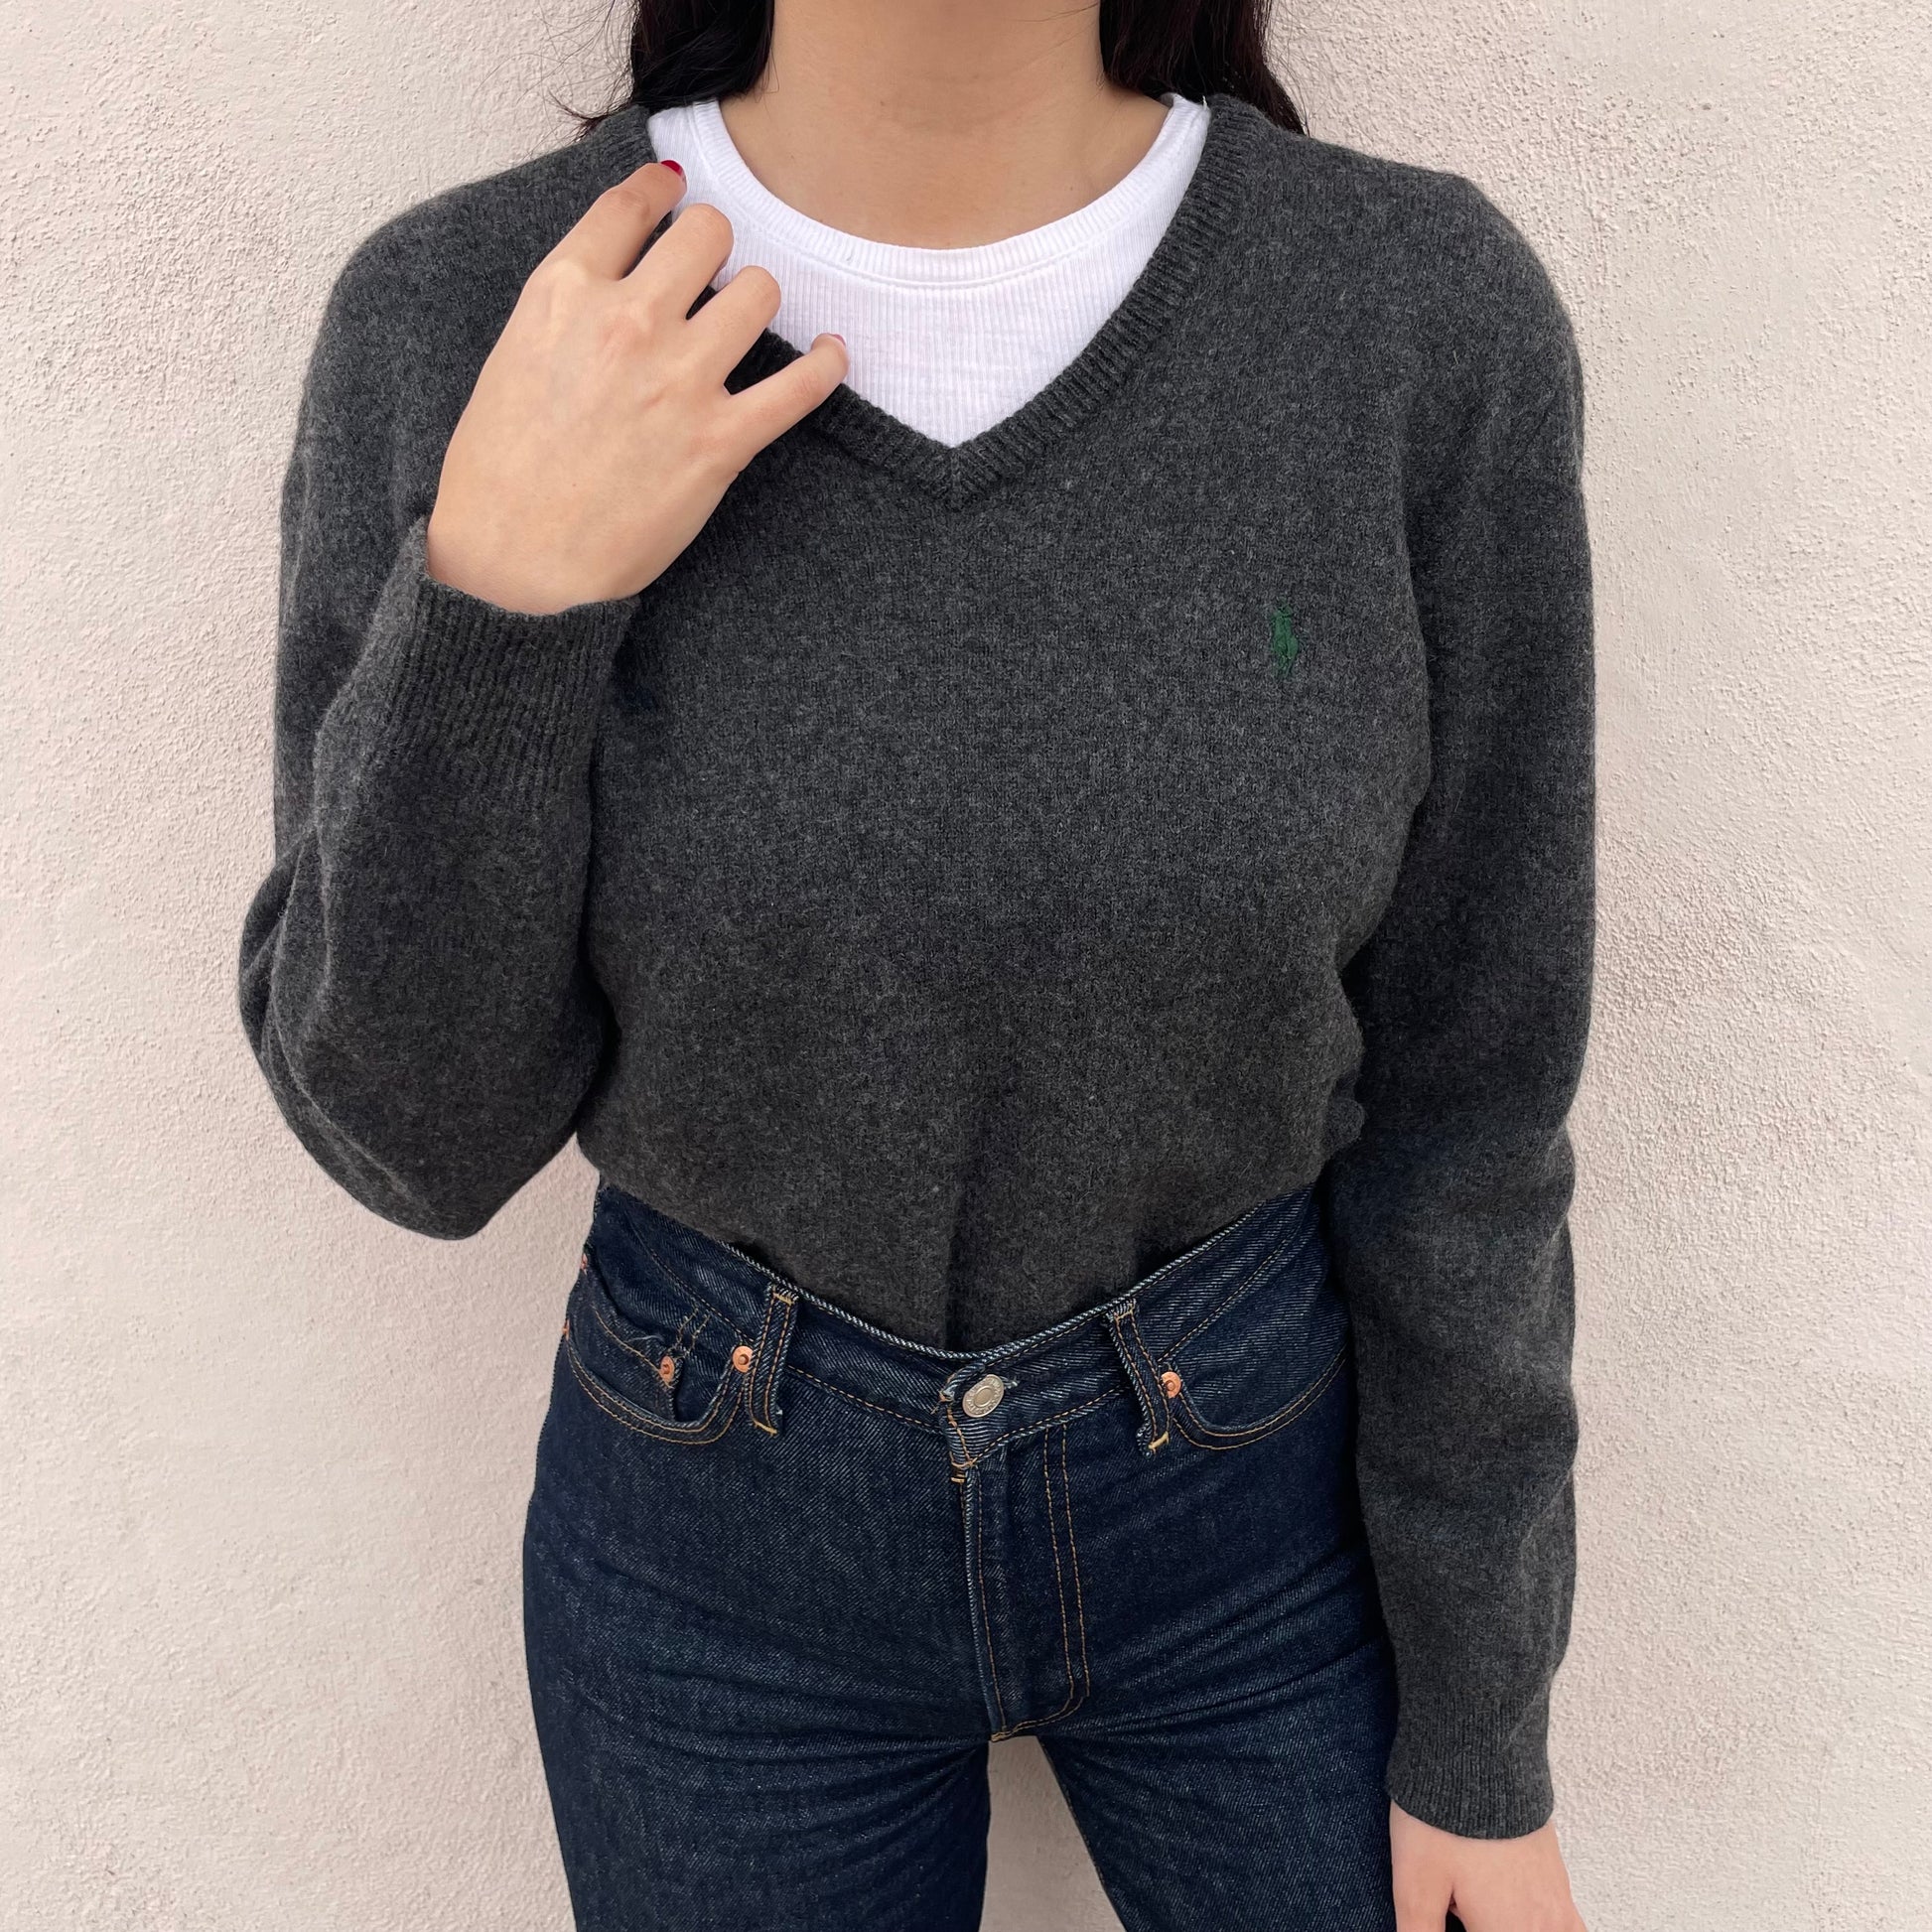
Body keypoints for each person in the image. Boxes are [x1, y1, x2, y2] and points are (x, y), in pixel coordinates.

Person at [236, 1, 1595, 1926]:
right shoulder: (472, 311)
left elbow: (1472, 1096)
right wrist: (507, 597)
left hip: (1266, 1521)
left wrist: (1478, 1723)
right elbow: (415, 1132)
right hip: (715, 1537)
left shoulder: (1411, 315)